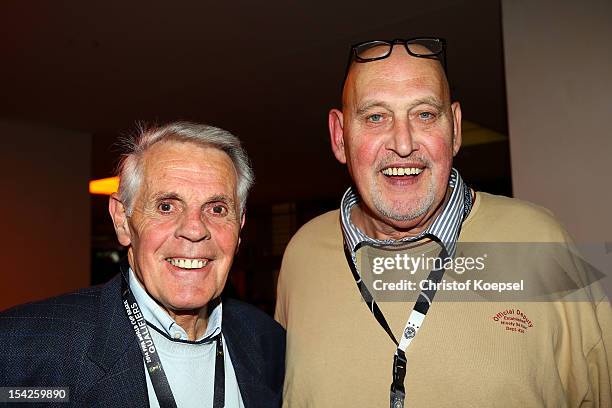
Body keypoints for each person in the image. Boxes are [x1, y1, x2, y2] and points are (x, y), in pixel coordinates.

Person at [275, 38, 611, 407]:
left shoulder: (539, 243)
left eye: (424, 115)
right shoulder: (302, 255)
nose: (403, 144)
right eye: (375, 117)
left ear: (455, 128)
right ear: (340, 137)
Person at [0, 122, 285, 407]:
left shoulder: (268, 342)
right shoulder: (23, 348)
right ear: (123, 220)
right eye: (166, 206)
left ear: (240, 226)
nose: (195, 230)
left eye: (217, 209)